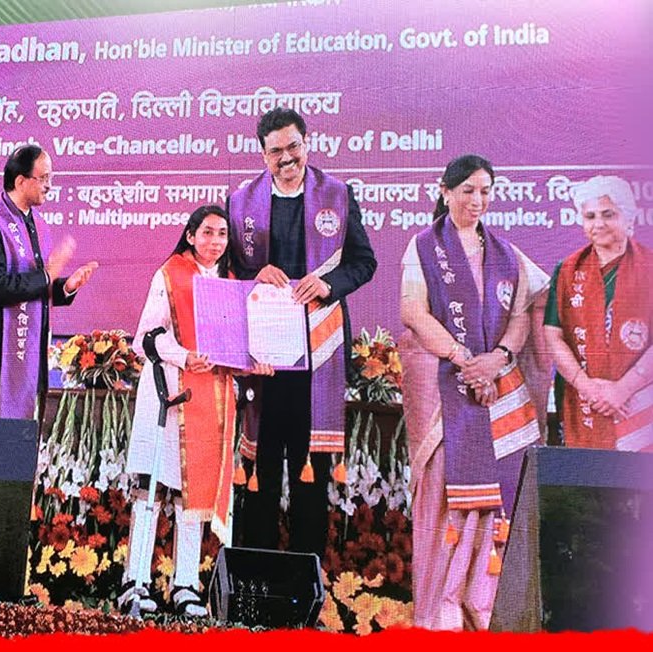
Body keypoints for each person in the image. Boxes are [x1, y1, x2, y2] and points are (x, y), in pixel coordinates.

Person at [398, 154, 549, 630]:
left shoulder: (507, 254)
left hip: (497, 391)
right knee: (444, 497)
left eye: (485, 191)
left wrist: (499, 358)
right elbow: (413, 312)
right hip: (446, 390)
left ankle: (482, 610)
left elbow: (523, 313)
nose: (477, 200)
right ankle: (441, 615)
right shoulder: (422, 247)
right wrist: (464, 359)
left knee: (495, 502)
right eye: (467, 190)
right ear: (445, 192)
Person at [228, 108, 377, 561]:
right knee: (261, 470)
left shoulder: (338, 195)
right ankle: (256, 576)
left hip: (319, 354)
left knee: (310, 471)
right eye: (276, 151)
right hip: (264, 357)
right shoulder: (240, 202)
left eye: (293, 146)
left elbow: (364, 263)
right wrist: (253, 275)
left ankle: (303, 581)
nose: (287, 158)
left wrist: (329, 285)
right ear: (263, 155)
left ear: (307, 143)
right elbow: (227, 271)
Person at [120, 205, 273, 616]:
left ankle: (185, 585)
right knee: (151, 490)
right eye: (207, 232)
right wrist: (184, 356)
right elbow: (146, 338)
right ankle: (135, 583)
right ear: (190, 235)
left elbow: (236, 346)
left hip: (213, 400)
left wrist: (256, 360)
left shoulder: (231, 284)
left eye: (222, 234)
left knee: (194, 494)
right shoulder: (169, 274)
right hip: (168, 396)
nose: (215, 241)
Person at [0, 144, 97, 420]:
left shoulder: (37, 225)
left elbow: (34, 288)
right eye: (43, 178)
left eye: (50, 178)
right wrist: (47, 275)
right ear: (21, 181)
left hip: (29, 367)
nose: (49, 185)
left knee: (24, 447)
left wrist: (65, 287)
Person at [544, 175, 653, 451]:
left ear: (628, 217)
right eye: (590, 216)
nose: (598, 223)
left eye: (608, 214)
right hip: (583, 401)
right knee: (587, 475)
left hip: (640, 404)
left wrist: (623, 389)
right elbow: (553, 336)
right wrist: (589, 388)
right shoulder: (567, 270)